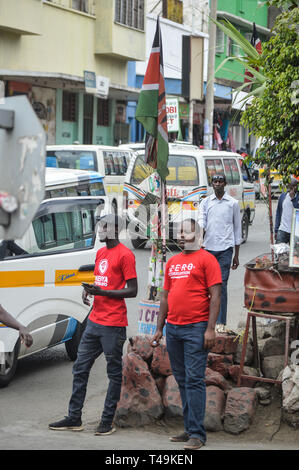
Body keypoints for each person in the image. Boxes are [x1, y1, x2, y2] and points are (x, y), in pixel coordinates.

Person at [49, 215, 138, 435]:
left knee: (113, 373)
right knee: (80, 368)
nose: (100, 229)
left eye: (105, 226)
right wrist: (88, 290)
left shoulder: (126, 255)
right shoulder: (101, 253)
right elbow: (101, 280)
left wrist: (104, 292)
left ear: (116, 229)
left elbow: (132, 290)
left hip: (113, 324)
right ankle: (74, 417)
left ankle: (107, 421)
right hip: (94, 321)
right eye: (99, 226)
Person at [151, 219, 222, 450]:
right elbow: (165, 297)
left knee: (194, 380)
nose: (180, 236)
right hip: (173, 328)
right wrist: (159, 328)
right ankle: (190, 428)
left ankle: (198, 435)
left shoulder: (207, 259)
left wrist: (210, 329)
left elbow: (216, 296)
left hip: (196, 329)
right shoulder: (172, 262)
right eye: (179, 232)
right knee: (182, 380)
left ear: (198, 235)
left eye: (186, 232)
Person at [198, 174, 242, 333]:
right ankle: (204, 320)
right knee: (205, 286)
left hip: (225, 250)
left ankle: (221, 322)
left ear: (225, 184)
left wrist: (236, 255)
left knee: (221, 285)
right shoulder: (205, 202)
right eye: (215, 181)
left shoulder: (233, 204)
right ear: (212, 184)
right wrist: (199, 241)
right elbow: (201, 222)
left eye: (220, 181)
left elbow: (237, 229)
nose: (217, 184)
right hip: (208, 249)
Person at [275, 177, 299, 244]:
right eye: (291, 186)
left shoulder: (297, 197)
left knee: (294, 253)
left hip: (295, 231)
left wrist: (293, 199)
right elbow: (278, 213)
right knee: (280, 251)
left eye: (295, 186)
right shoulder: (283, 196)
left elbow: (297, 209)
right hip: (283, 229)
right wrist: (276, 229)